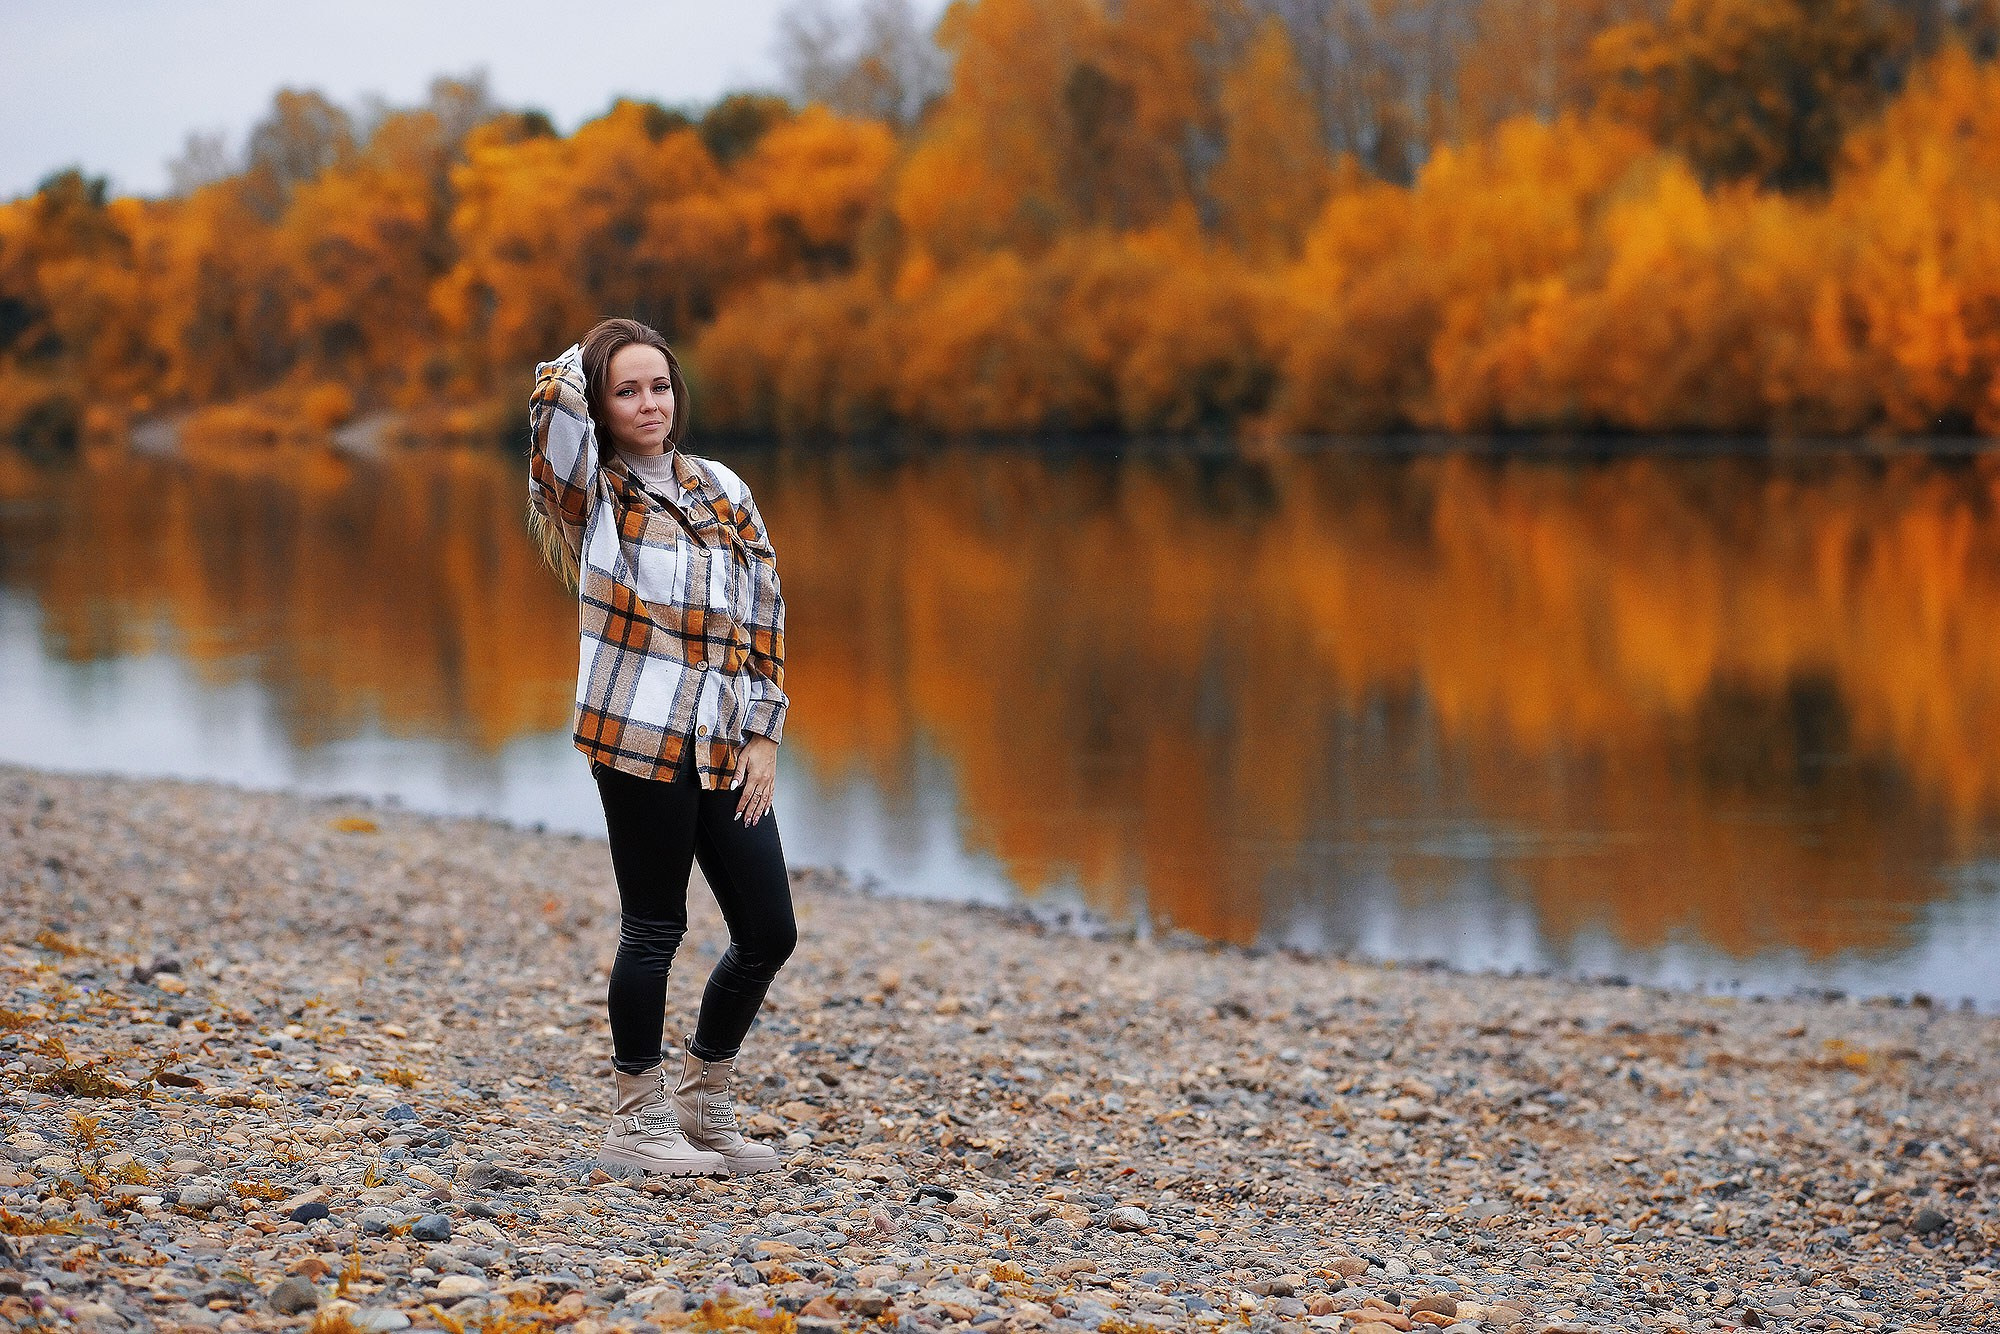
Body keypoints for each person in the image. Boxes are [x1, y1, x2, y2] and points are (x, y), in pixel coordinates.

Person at [528, 316, 794, 1177]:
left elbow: (763, 615)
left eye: (661, 385)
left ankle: (702, 1107)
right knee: (655, 927)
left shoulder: (722, 488)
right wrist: (593, 352)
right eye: (628, 389)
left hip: (722, 737)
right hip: (635, 734)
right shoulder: (588, 493)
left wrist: (765, 732)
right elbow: (552, 401)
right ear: (602, 405)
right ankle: (634, 1128)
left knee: (768, 929)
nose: (650, 403)